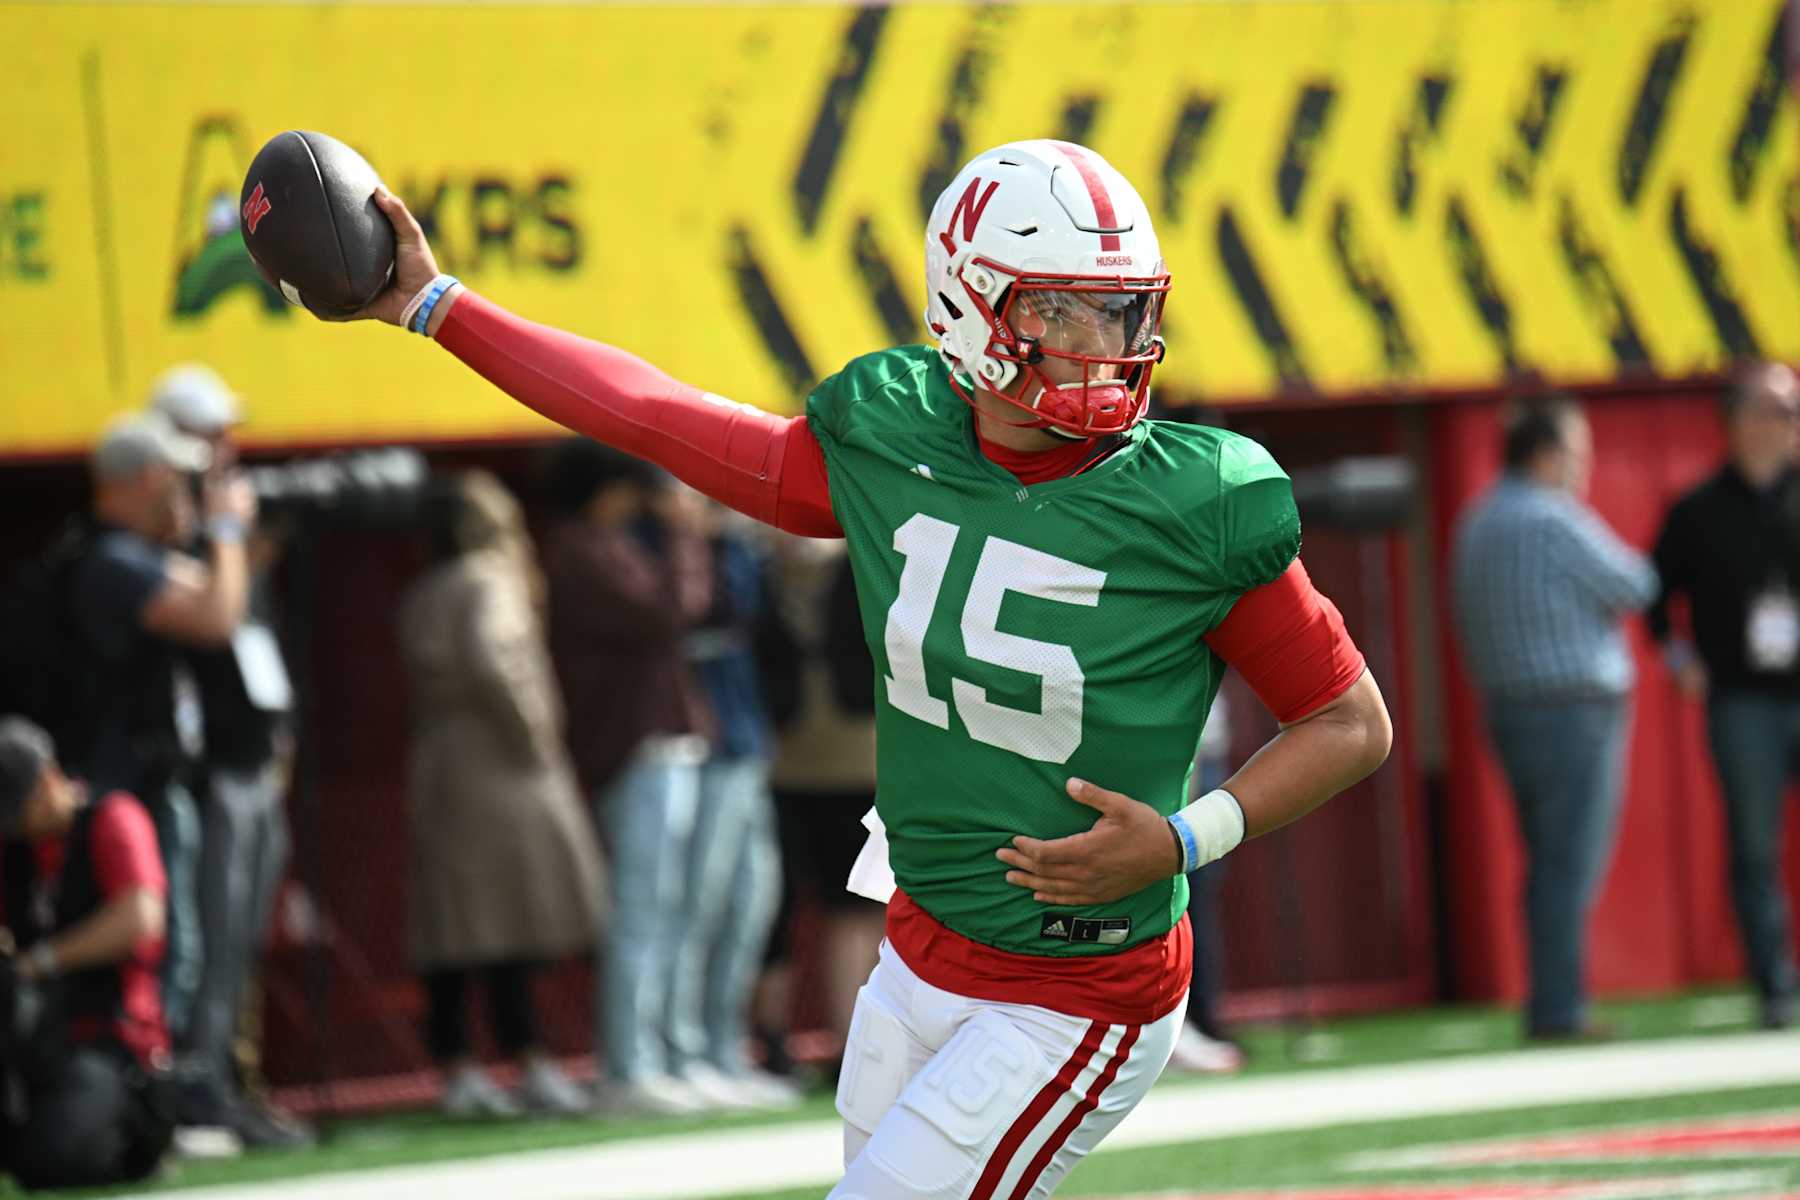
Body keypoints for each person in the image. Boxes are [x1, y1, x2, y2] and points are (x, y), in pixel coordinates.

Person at [341, 139, 1389, 1196]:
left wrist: (1181, 839)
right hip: (918, 949)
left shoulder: (1197, 504)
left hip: (1082, 987)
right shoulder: (892, 438)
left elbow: (1350, 722)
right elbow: (650, 412)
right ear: (971, 308)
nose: (1098, 345)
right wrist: (441, 308)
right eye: (1059, 312)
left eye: (1117, 312)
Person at [396, 471, 604, 1118]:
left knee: (457, 924)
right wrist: (535, 734)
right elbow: (497, 659)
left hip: (443, 759)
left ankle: (462, 1067)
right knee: (512, 919)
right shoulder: (490, 579)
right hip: (500, 762)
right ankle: (530, 1060)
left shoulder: (425, 587)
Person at [1451, 395, 1658, 1041]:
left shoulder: (1479, 520)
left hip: (1510, 710)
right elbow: (1636, 585)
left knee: (1546, 861)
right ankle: (1560, 1006)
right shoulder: (1552, 517)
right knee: (1569, 863)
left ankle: (1553, 998)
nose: (1583, 464)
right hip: (1576, 710)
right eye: (1575, 449)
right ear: (1545, 453)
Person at [148, 365, 308, 1146]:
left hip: (252, 761)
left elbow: (259, 638)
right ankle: (186, 1092)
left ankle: (218, 1081)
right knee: (198, 937)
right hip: (201, 768)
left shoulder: (230, 520)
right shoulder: (172, 531)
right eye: (210, 433)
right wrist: (224, 533)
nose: (226, 447)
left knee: (238, 938)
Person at [537, 440, 718, 1117]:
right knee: (641, 909)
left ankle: (667, 1054)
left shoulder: (604, 542)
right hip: (632, 747)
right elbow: (674, 608)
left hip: (663, 743)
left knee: (669, 906)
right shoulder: (581, 549)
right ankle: (628, 1065)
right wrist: (682, 528)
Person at [68, 413, 257, 1054]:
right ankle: (146, 1093)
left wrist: (210, 536)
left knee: (184, 940)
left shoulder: (141, 555)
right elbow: (217, 616)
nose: (182, 488)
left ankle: (160, 1092)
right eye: (173, 477)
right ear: (145, 477)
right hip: (126, 781)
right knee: (165, 942)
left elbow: (217, 592)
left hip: (154, 776)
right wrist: (226, 527)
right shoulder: (111, 560)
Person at [1649, 362, 1800, 1031]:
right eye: (1778, 410)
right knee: (1753, 845)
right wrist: (1680, 659)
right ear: (1739, 422)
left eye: (1794, 411)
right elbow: (1651, 596)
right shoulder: (1696, 511)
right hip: (1741, 697)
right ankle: (1775, 985)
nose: (1790, 424)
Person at [0, 716, 174, 1189]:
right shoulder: (18, 849)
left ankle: (135, 1138)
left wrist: (43, 961)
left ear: (50, 777)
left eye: (20, 808)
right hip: (39, 1039)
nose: (16, 825)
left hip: (110, 1038)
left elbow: (141, 917)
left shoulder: (113, 818)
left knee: (52, 1161)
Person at [667, 505, 795, 1109]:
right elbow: (701, 612)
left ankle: (723, 1048)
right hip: (704, 742)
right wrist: (701, 540)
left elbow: (761, 619)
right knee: (699, 903)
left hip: (748, 739)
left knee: (750, 901)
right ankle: (683, 1053)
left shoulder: (739, 547)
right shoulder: (668, 543)